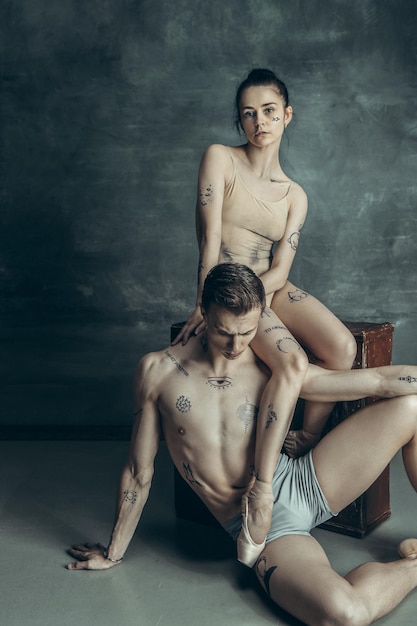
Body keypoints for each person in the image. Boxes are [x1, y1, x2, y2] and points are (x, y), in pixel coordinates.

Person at [68, 263, 417, 626]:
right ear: (203, 312)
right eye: (223, 333)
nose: (236, 345)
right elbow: (138, 472)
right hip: (264, 528)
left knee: (413, 407)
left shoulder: (270, 367)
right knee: (346, 615)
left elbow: (377, 381)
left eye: (248, 332)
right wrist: (113, 552)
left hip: (306, 480)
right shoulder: (158, 373)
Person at [172, 68, 357, 551]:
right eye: (249, 114)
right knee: (293, 362)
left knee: (342, 346)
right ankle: (264, 485)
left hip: (269, 285)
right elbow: (210, 237)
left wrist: (263, 294)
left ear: (287, 115)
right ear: (241, 122)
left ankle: (306, 438)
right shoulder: (220, 159)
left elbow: (281, 266)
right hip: (228, 289)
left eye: (269, 111)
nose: (259, 122)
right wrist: (204, 302)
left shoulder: (295, 194)